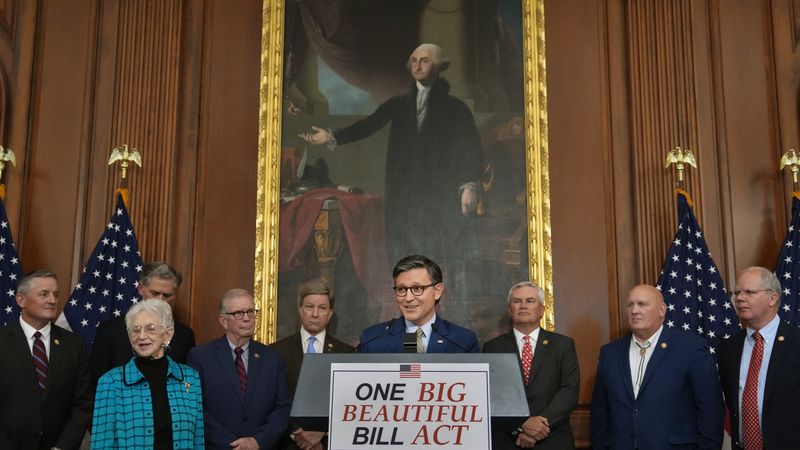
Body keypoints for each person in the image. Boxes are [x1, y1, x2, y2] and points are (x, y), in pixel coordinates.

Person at [298, 43, 484, 265]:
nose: (417, 65)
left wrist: (470, 185)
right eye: (414, 60)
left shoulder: (456, 108)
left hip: (439, 194)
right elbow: (368, 125)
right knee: (403, 252)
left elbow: (470, 147)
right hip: (403, 193)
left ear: (439, 66)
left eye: (424, 60)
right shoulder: (399, 103)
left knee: (437, 254)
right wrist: (331, 136)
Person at [589, 284, 723, 450]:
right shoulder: (609, 354)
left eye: (642, 304)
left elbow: (710, 410)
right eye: (630, 305)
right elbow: (599, 413)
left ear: (661, 310)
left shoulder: (691, 348)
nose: (634, 310)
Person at [91, 299, 204, 449]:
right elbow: (101, 445)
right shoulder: (111, 382)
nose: (142, 336)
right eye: (136, 330)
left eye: (150, 328)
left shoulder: (191, 378)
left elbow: (198, 441)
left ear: (168, 334)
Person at [188, 289, 291, 450]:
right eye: (239, 313)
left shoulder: (273, 358)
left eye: (251, 312)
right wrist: (233, 445)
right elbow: (196, 408)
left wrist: (258, 441)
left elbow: (283, 407)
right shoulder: (201, 356)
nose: (247, 319)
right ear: (223, 321)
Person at [0, 270, 92, 450]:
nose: (52, 300)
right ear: (21, 300)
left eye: (56, 294)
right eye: (44, 294)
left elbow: (83, 403)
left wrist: (62, 447)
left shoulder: (74, 344)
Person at [483, 281, 579, 449]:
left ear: (542, 309)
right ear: (509, 310)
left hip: (553, 438)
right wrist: (519, 426)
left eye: (530, 301)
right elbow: (491, 394)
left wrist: (539, 426)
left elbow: (569, 390)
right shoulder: (493, 347)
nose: (523, 306)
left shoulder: (563, 345)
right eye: (517, 301)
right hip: (508, 440)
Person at [717, 266, 800, 450]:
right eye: (737, 292)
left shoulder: (796, 342)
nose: (739, 298)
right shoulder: (728, 349)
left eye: (749, 292)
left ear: (772, 298)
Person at [269, 279, 354, 450]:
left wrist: (322, 432)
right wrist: (296, 432)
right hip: (287, 443)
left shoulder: (346, 353)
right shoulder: (275, 352)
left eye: (322, 308)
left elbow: (348, 403)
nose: (315, 314)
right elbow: (270, 400)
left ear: (330, 313)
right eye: (309, 307)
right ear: (300, 310)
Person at [90, 262, 196, 385]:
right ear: (141, 289)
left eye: (167, 295)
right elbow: (97, 381)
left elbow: (186, 382)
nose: (160, 300)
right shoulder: (110, 330)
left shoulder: (184, 335)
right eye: (155, 293)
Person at [357, 255, 479, 353]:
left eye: (417, 288)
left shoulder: (463, 341)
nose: (408, 298)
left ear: (437, 291)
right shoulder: (372, 340)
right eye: (401, 289)